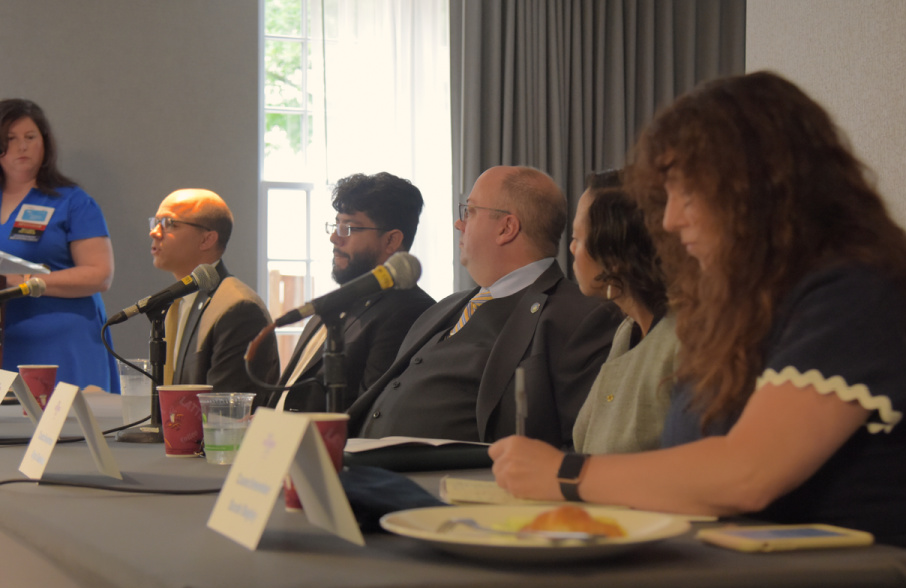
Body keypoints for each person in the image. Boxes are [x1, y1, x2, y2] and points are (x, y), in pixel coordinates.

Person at [489, 72, 906, 588]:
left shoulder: (860, 293)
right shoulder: (738, 313)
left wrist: (567, 473)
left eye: (687, 193)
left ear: (759, 185)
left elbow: (747, 474)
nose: (669, 219)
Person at [351, 165, 621, 446]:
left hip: (452, 484)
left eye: (470, 211)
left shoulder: (579, 316)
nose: (459, 223)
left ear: (506, 228)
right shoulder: (443, 308)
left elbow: (579, 444)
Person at [0, 98, 118, 392]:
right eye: (10, 139)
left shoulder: (72, 202)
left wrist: (21, 282)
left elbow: (99, 274)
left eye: (30, 137)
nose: (22, 146)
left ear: (45, 143)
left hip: (59, 343)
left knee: (64, 434)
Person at [269, 172, 435, 413]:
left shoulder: (408, 311)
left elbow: (368, 414)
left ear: (391, 240)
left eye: (348, 228)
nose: (335, 237)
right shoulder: (334, 304)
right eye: (336, 224)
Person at [569, 170, 677, 454]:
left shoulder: (681, 339)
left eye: (577, 239)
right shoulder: (626, 332)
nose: (570, 249)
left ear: (613, 252)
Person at [148, 188, 280, 399]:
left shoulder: (238, 308)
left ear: (207, 239)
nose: (154, 232)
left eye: (168, 223)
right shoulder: (179, 301)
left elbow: (227, 415)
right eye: (155, 223)